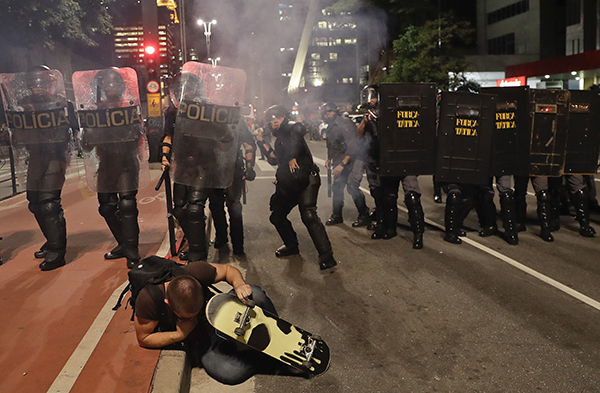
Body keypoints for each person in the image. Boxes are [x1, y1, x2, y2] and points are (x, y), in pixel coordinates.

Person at [134, 259, 286, 385]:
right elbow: (144, 338)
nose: (191, 317)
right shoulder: (148, 299)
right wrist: (179, 334)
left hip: (216, 312)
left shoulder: (195, 271)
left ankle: (277, 332)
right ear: (167, 302)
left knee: (256, 294)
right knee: (229, 372)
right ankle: (266, 359)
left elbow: (228, 270)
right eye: (186, 316)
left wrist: (239, 284)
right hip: (199, 337)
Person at [4, 65, 75, 270]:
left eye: (42, 83)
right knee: (34, 202)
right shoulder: (22, 105)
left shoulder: (61, 103)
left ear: (49, 84)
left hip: (55, 155)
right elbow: (16, 134)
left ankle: (57, 250)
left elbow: (71, 130)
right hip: (35, 156)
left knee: (49, 203)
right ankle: (51, 239)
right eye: (34, 84)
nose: (38, 87)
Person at [256, 105, 337, 273]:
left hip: (307, 179)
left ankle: (326, 256)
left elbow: (299, 130)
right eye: (272, 118)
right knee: (277, 216)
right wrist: (261, 141)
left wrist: (292, 156)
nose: (275, 121)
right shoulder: (278, 139)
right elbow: (273, 160)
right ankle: (291, 245)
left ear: (284, 118)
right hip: (290, 183)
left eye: (278, 117)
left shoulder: (292, 129)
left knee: (308, 214)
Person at [79, 68, 146, 268]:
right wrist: (89, 130)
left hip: (126, 162)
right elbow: (87, 145)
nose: (111, 89)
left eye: (115, 85)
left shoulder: (130, 109)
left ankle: (132, 250)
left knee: (127, 205)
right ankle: (124, 243)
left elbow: (138, 138)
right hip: (106, 162)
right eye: (107, 85)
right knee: (107, 206)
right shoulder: (94, 113)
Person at [208, 122, 257, 256]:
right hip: (213, 170)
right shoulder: (209, 121)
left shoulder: (236, 121)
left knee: (233, 207)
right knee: (217, 207)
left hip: (233, 169)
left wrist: (249, 167)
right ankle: (222, 238)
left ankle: (237, 244)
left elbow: (248, 144)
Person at [321, 102, 370, 228]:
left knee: (352, 186)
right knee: (337, 187)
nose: (327, 115)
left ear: (334, 112)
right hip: (340, 159)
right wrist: (329, 158)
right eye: (326, 113)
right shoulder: (330, 126)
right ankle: (337, 215)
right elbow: (332, 145)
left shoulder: (344, 123)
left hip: (354, 159)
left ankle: (364, 215)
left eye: (329, 112)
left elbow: (352, 146)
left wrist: (342, 164)